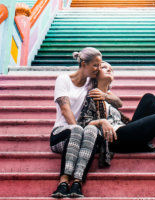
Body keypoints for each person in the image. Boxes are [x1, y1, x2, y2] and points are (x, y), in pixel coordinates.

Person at [50, 47, 122, 198]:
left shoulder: (91, 83)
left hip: (85, 137)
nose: (98, 69)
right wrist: (78, 128)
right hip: (61, 134)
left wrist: (105, 95)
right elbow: (65, 108)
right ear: (83, 63)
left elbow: (118, 102)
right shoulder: (64, 79)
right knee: (77, 130)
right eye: (95, 65)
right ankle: (63, 182)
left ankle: (77, 183)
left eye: (100, 65)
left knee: (91, 130)